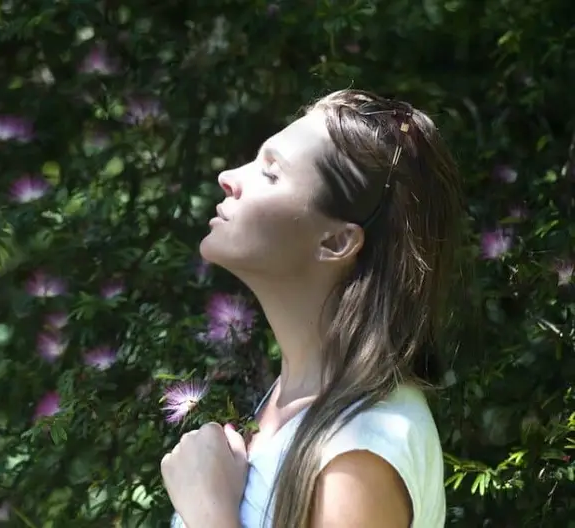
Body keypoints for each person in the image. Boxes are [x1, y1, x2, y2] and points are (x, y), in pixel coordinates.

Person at [161, 88, 463, 527]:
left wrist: (208, 510)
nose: (229, 176)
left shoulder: (361, 450)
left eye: (270, 173)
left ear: (336, 242)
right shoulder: (290, 408)